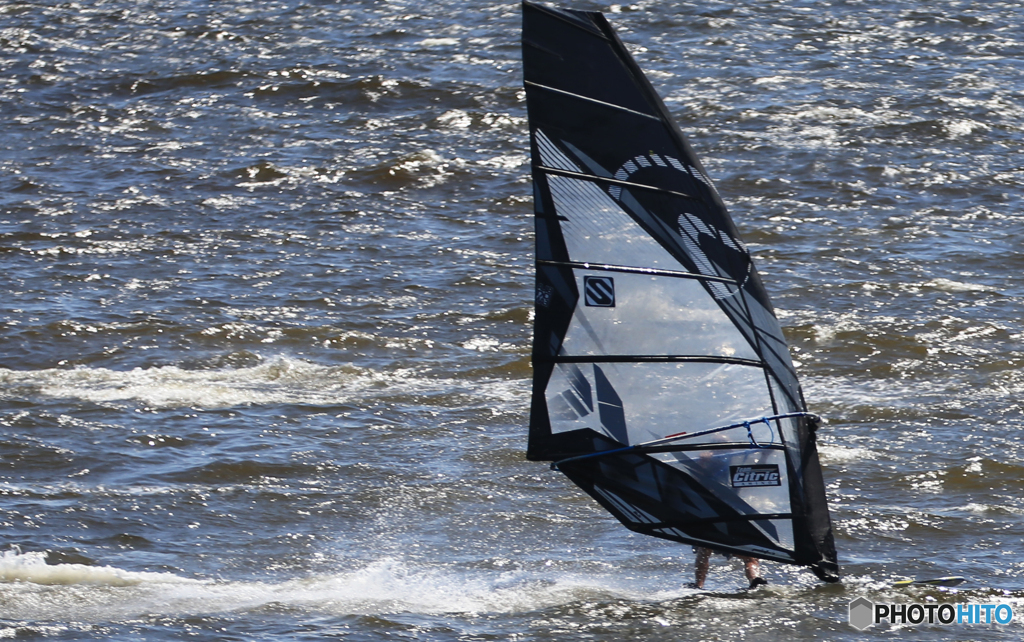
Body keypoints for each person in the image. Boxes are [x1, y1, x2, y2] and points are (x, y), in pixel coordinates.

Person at [694, 546, 767, 589]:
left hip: (710, 529)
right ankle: (754, 579)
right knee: (750, 558)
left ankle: (699, 585)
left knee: (704, 551)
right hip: (731, 531)